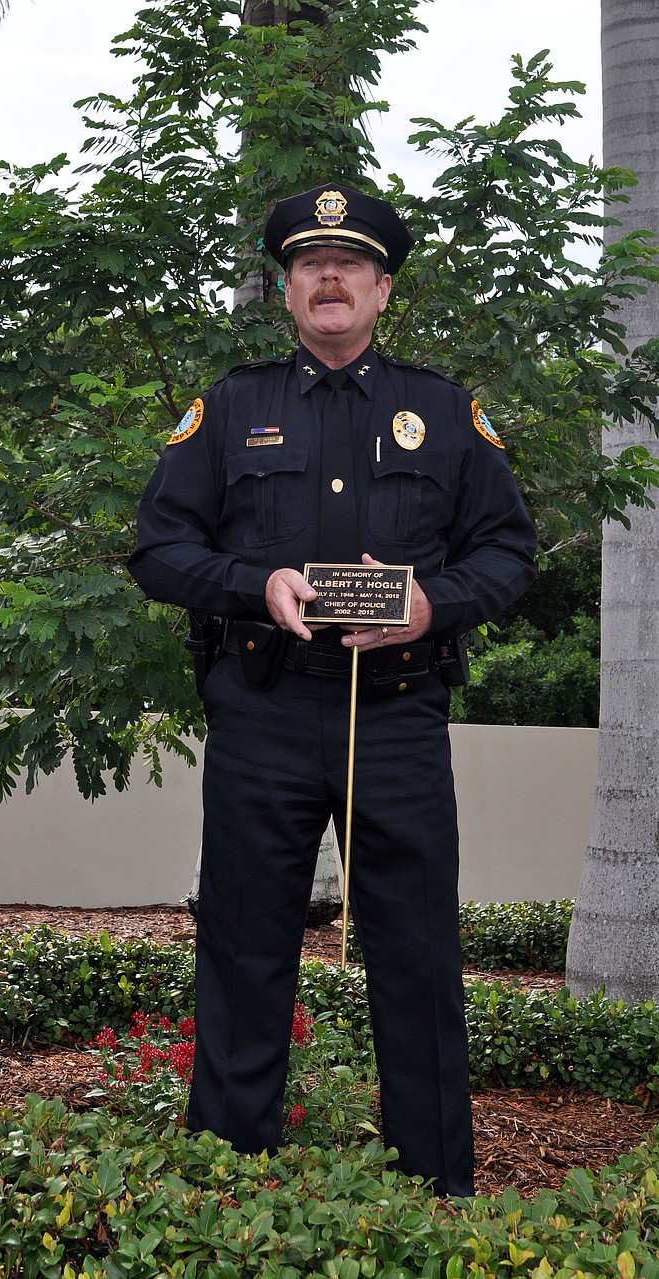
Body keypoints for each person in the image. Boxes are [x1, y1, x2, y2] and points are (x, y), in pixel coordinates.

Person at [128, 183, 537, 1197]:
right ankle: (225, 1193)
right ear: (285, 291)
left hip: (395, 713)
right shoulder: (229, 409)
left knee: (418, 961)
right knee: (242, 952)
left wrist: (429, 606)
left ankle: (435, 1195)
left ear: (381, 288)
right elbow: (158, 546)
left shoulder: (443, 412)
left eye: (348, 263)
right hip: (261, 709)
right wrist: (255, 585)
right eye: (309, 263)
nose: (328, 278)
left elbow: (506, 552)